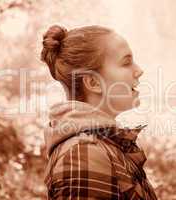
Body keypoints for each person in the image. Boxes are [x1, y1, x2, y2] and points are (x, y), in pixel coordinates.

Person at [41, 24, 157, 200]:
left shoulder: (99, 145)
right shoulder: (82, 157)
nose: (139, 71)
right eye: (126, 62)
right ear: (93, 83)